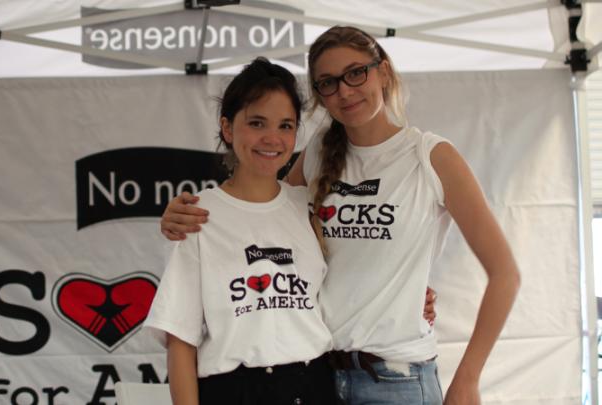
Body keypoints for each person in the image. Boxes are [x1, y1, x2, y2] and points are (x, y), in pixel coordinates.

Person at [160, 26, 520, 405]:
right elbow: (264, 212)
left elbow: (506, 274)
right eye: (328, 83)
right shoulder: (317, 152)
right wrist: (179, 214)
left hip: (396, 380)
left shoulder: (430, 156)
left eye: (355, 73)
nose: (345, 91)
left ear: (383, 71)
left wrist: (469, 378)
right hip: (322, 380)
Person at [144, 57, 337, 405]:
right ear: (228, 128)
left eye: (285, 125)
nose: (272, 138)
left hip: (316, 386)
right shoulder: (197, 216)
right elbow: (180, 339)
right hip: (235, 391)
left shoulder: (307, 206)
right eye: (257, 122)